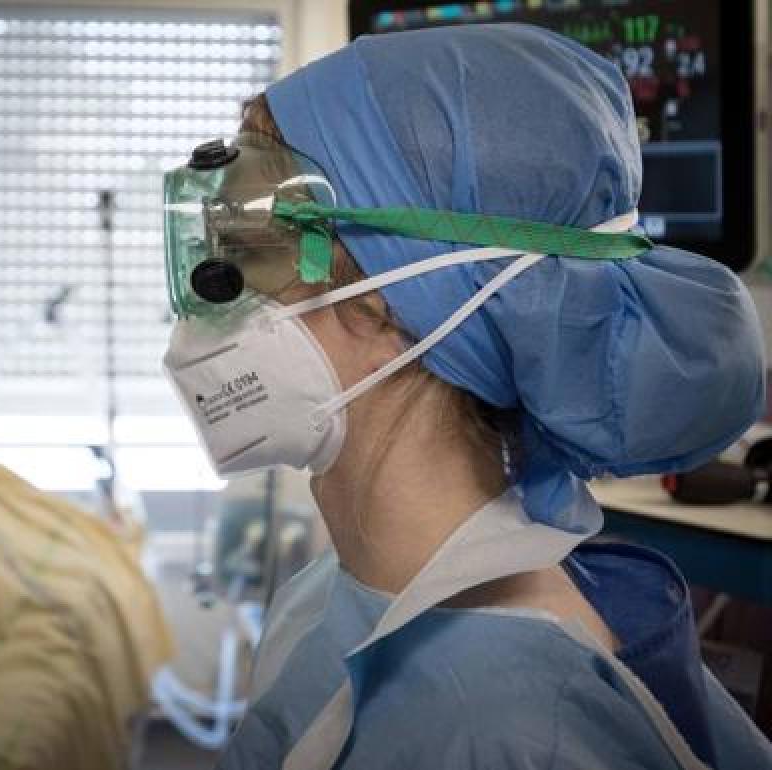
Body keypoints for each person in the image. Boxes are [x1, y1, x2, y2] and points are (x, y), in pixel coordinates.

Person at [160, 24, 772, 769]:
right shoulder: (329, 595)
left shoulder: (514, 728)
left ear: (392, 301)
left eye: (255, 253)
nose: (214, 300)